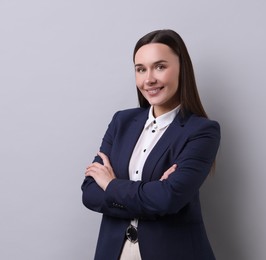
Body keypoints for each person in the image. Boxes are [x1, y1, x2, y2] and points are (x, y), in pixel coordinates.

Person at [81, 29, 220, 260]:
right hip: (114, 252)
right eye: (141, 69)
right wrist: (150, 195)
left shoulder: (202, 131)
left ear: (182, 69)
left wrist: (111, 184)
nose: (149, 79)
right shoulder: (121, 122)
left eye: (160, 66)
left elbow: (168, 199)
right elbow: (90, 193)